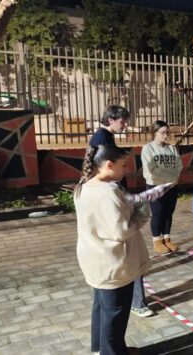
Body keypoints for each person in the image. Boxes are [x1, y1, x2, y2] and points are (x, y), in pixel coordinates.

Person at [74, 144, 149, 354]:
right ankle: (113, 351)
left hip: (96, 261)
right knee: (115, 314)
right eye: (123, 165)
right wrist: (142, 211)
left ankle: (101, 348)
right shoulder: (108, 193)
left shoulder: (84, 185)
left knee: (101, 308)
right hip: (113, 264)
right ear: (108, 165)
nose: (126, 169)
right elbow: (121, 230)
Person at [88, 105, 152, 318]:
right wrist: (140, 208)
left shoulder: (104, 138)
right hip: (114, 258)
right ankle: (137, 302)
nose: (125, 124)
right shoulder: (101, 139)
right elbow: (123, 230)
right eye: (122, 120)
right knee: (129, 253)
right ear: (111, 118)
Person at [141, 121, 183, 254]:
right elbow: (152, 169)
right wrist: (170, 178)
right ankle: (157, 241)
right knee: (158, 214)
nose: (166, 135)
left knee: (168, 213)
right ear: (155, 133)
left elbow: (179, 165)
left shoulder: (171, 148)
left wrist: (174, 179)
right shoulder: (148, 149)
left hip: (171, 187)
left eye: (167, 133)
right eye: (163, 132)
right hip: (156, 186)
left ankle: (167, 238)